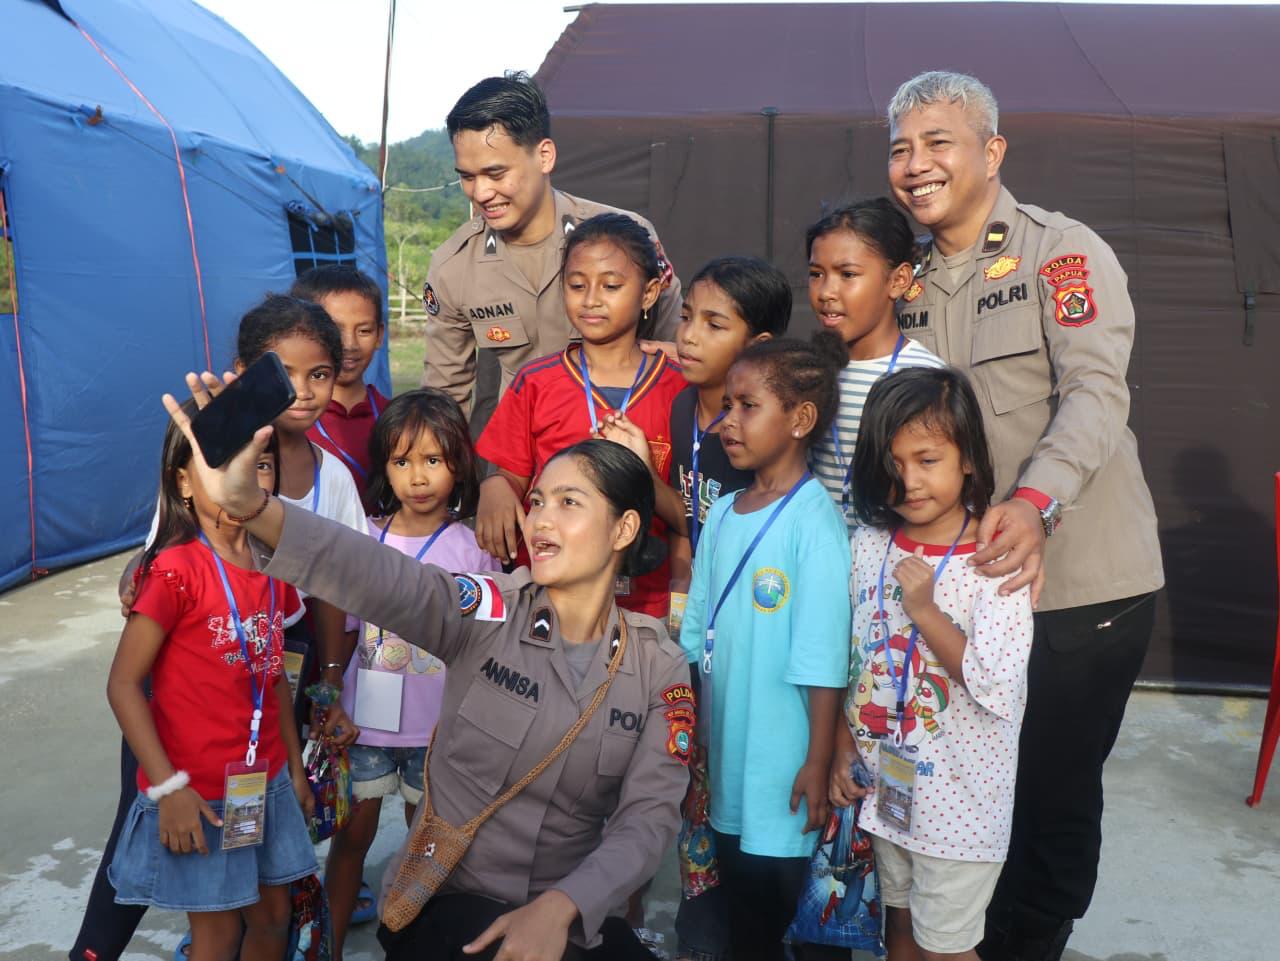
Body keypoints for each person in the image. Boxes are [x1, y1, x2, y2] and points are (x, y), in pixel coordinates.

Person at [158, 364, 695, 961]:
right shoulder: (490, 610)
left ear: (623, 528)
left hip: (569, 913)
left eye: (569, 503)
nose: (539, 519)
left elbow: (647, 822)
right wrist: (252, 506)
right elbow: (381, 577)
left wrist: (563, 906)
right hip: (448, 896)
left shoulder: (658, 665)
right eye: (537, 499)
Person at [884, 71, 1164, 961]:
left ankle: (1030, 943)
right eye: (900, 148)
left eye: (938, 143)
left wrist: (1037, 502)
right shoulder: (907, 278)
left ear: (991, 152)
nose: (915, 164)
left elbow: (1095, 391)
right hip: (965, 594)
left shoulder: (1061, 253)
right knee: (962, 788)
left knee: (1049, 794)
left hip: (1081, 587)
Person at [77, 296, 364, 961]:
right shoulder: (181, 560)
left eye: (321, 373)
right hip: (188, 761)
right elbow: (127, 674)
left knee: (265, 910)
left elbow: (286, 658)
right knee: (202, 911)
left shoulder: (280, 555)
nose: (303, 390)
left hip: (259, 758)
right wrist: (170, 785)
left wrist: (297, 752)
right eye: (285, 373)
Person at [830, 366, 1034, 961]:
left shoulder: (996, 562)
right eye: (893, 464)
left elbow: (997, 685)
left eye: (927, 460)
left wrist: (924, 610)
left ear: (967, 457)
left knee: (946, 948)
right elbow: (852, 656)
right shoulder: (870, 543)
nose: (910, 481)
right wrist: (843, 743)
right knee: (899, 926)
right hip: (885, 791)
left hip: (960, 809)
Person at [104, 409, 316, 961]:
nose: (245, 477)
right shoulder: (174, 570)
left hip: (264, 783)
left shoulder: (274, 563)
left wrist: (293, 767)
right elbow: (124, 685)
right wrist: (169, 789)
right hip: (200, 794)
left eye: (261, 464)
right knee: (217, 935)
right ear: (182, 480)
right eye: (217, 463)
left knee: (273, 920)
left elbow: (273, 679)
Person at [677, 334, 853, 961]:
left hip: (787, 768)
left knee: (794, 918)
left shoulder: (816, 525)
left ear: (800, 419)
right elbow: (696, 631)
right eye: (726, 405)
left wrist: (818, 757)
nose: (728, 421)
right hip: (727, 758)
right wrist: (693, 730)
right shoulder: (723, 512)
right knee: (744, 917)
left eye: (747, 406)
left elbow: (823, 657)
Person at [325, 388, 499, 959]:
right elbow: (343, 631)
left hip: (436, 733)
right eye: (402, 462)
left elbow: (486, 643)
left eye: (433, 460)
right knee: (352, 839)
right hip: (364, 728)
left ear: (459, 464)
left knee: (429, 846)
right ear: (384, 468)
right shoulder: (364, 538)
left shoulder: (474, 547)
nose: (417, 477)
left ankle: (420, 944)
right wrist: (332, 701)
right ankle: (323, 943)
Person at [421, 72, 682, 435]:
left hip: (627, 447)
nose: (480, 193)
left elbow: (680, 354)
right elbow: (445, 399)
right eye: (467, 176)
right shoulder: (455, 266)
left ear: (544, 156)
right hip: (520, 459)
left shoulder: (625, 242)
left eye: (495, 173)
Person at [661, 255, 791, 961]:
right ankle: (702, 930)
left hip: (758, 641)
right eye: (687, 317)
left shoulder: (766, 432)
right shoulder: (685, 406)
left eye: (715, 323)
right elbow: (690, 517)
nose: (689, 335)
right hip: (703, 631)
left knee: (747, 796)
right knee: (698, 795)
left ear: (760, 344)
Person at [474, 213, 687, 621]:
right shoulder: (537, 381)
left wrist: (646, 475)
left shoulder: (679, 390)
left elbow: (688, 519)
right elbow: (512, 473)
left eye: (611, 286)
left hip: (646, 606)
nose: (591, 299)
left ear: (649, 293)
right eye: (576, 285)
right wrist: (496, 487)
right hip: (547, 598)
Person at [806, 199, 946, 535]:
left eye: (848, 274)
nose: (826, 292)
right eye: (815, 274)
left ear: (898, 281)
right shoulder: (806, 371)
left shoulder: (927, 380)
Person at [292, 265, 390, 510]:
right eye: (335, 329)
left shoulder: (394, 417)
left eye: (364, 331)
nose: (349, 344)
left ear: (380, 335)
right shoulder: (288, 418)